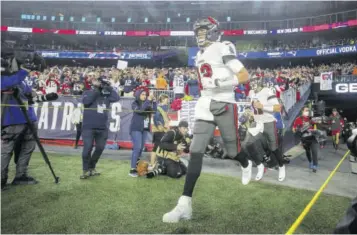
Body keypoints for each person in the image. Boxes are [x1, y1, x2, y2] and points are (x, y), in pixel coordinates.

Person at [162, 16, 252, 223]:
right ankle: (184, 204)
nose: (199, 35)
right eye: (198, 31)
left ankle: (246, 163)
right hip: (205, 103)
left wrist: (223, 81)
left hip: (225, 103)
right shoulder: (199, 55)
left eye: (203, 30)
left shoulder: (223, 46)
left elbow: (244, 75)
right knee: (195, 150)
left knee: (232, 150)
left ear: (213, 30)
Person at [1, 65, 38, 189]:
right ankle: (1, 179)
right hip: (12, 121)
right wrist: (25, 70)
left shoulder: (19, 79)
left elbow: (29, 92)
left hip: (29, 118)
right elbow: (8, 83)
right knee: (6, 151)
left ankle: (21, 176)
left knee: (27, 148)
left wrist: (33, 93)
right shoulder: (7, 78)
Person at [80, 78, 120, 179]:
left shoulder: (106, 95)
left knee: (100, 148)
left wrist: (109, 87)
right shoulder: (88, 92)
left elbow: (116, 98)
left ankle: (92, 167)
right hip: (88, 127)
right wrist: (96, 89)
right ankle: (85, 170)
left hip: (102, 128)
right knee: (87, 148)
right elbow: (86, 102)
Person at [249, 85, 286, 181]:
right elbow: (254, 109)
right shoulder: (252, 93)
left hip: (268, 122)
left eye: (256, 79)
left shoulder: (267, 91)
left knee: (273, 148)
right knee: (248, 145)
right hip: (257, 123)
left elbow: (277, 108)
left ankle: (281, 166)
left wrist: (262, 106)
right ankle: (260, 166)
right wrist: (251, 113)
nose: (253, 82)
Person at [129, 86, 157, 177]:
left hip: (144, 129)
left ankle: (136, 166)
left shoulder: (147, 104)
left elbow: (154, 111)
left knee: (140, 149)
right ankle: (132, 169)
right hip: (136, 128)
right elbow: (140, 110)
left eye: (146, 94)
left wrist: (154, 102)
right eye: (143, 94)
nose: (145, 96)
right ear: (138, 95)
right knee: (137, 148)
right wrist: (148, 100)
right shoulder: (135, 103)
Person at [292, 106, 319, 172]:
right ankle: (310, 161)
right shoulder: (298, 119)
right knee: (308, 151)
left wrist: (315, 130)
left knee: (315, 151)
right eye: (306, 110)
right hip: (304, 138)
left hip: (312, 137)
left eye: (308, 110)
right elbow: (293, 129)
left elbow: (315, 126)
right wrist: (298, 130)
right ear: (302, 111)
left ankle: (315, 165)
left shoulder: (311, 118)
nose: (307, 112)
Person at [150, 94, 170, 170]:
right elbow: (156, 118)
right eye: (167, 99)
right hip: (159, 131)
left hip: (162, 130)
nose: (168, 100)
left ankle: (156, 163)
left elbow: (161, 117)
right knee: (156, 148)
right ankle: (152, 164)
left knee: (159, 148)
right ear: (163, 99)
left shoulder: (163, 108)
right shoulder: (159, 107)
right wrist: (160, 126)